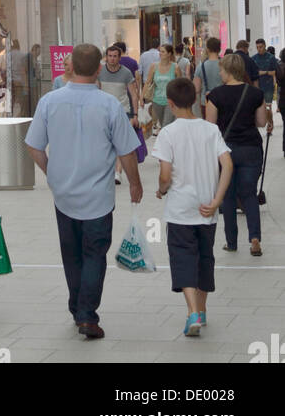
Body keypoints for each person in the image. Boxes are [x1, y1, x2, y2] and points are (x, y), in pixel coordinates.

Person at [25, 43, 142, 340]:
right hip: (99, 196)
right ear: (99, 69)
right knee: (94, 253)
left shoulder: (49, 102)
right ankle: (87, 314)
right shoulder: (110, 105)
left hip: (63, 193)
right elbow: (127, 151)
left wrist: (50, 171)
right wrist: (135, 184)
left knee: (71, 252)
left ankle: (77, 305)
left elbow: (33, 145)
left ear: (71, 67)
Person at [152, 76, 233, 337]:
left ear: (171, 104)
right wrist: (217, 200)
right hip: (207, 209)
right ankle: (202, 310)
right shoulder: (211, 129)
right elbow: (228, 165)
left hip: (180, 210)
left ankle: (192, 312)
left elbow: (165, 175)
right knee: (204, 259)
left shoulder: (168, 133)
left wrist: (161, 190)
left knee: (183, 259)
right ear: (196, 100)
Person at [206, 52, 272, 256]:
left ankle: (231, 241)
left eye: (221, 70)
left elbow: (210, 127)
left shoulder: (215, 95)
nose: (220, 73)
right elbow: (261, 122)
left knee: (227, 195)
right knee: (248, 194)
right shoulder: (255, 94)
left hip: (225, 151)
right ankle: (254, 238)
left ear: (226, 71)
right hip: (251, 148)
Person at [99, 44, 140, 183]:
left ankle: (118, 171)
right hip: (104, 111)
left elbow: (133, 95)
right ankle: (109, 170)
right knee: (106, 142)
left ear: (119, 57)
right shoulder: (100, 72)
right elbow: (96, 91)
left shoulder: (126, 72)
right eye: (109, 56)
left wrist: (135, 115)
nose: (112, 59)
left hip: (123, 110)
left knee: (119, 142)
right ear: (106, 57)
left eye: (115, 56)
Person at [145, 45, 177, 133]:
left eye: (163, 52)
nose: (160, 54)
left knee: (166, 125)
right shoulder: (154, 66)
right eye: (160, 51)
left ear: (169, 54)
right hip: (157, 100)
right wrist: (142, 97)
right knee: (163, 124)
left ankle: (165, 144)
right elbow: (148, 82)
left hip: (171, 101)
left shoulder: (175, 67)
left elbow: (179, 85)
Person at [194, 37, 222, 110]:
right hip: (223, 100)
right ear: (219, 49)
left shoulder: (201, 67)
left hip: (206, 101)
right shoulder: (225, 65)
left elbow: (197, 89)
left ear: (207, 49)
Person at [252, 39, 278, 105]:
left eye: (260, 47)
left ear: (265, 46)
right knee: (258, 108)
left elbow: (275, 72)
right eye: (257, 47)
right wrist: (267, 72)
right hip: (257, 87)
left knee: (268, 107)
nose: (259, 49)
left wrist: (264, 72)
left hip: (268, 87)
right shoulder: (253, 58)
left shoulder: (271, 58)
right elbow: (252, 73)